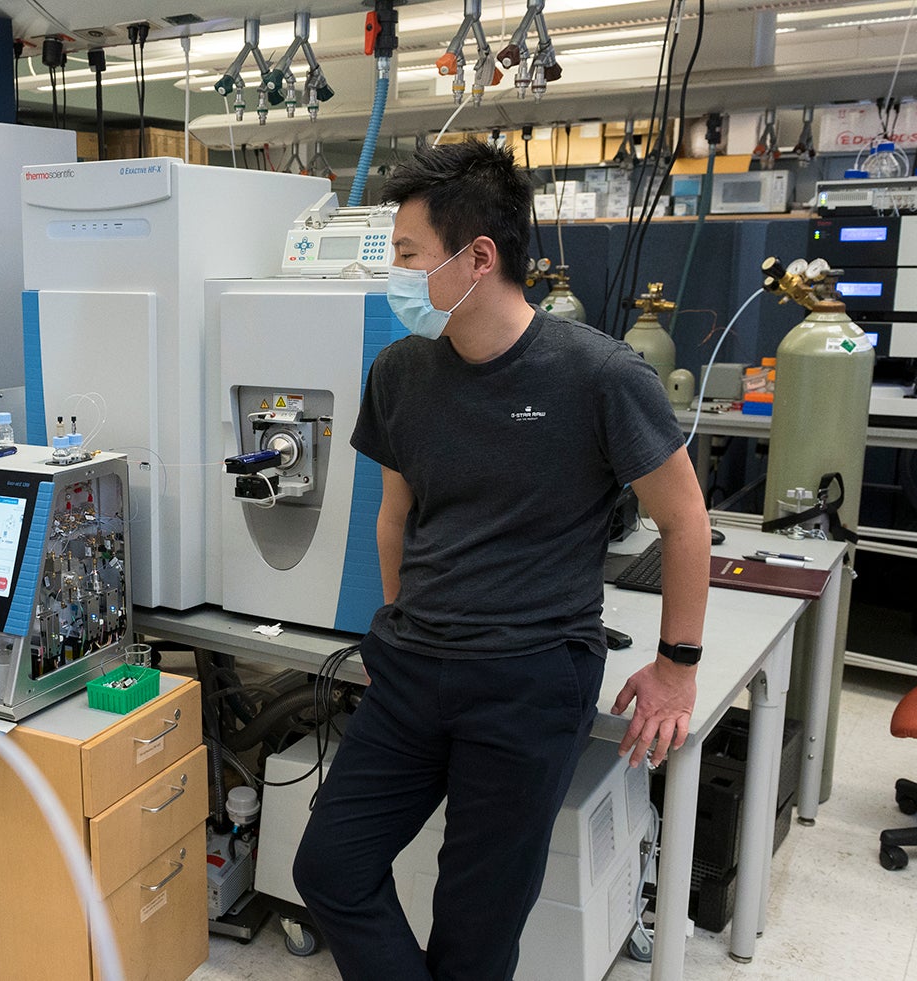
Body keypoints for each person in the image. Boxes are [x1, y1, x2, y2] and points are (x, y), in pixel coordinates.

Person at [290, 140, 710, 980]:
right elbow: (396, 518)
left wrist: (675, 667)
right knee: (328, 867)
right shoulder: (401, 369)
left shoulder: (597, 373)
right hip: (411, 669)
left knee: (475, 929)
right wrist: (395, 630)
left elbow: (684, 519)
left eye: (407, 254)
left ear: (477, 257)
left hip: (527, 679)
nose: (395, 275)